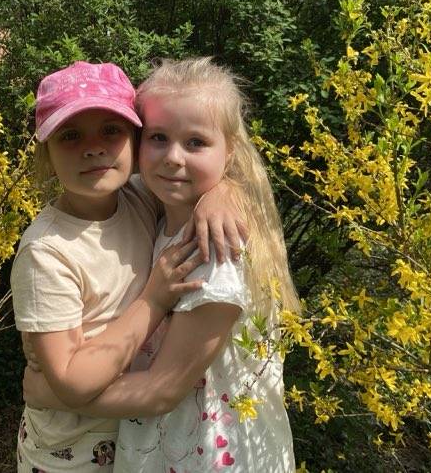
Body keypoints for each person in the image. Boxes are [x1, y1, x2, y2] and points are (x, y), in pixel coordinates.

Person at [24, 57, 301, 472]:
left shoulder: (211, 248)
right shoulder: (148, 205)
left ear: (230, 153)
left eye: (195, 142)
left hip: (210, 457)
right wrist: (221, 190)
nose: (173, 157)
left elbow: (162, 390)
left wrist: (53, 394)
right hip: (145, 447)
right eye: (158, 137)